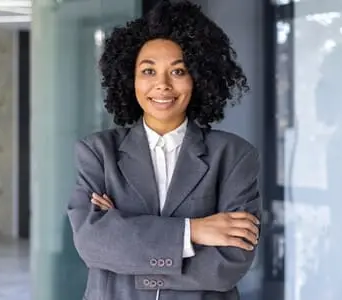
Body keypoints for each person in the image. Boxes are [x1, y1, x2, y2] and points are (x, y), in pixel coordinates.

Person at [67, 1, 262, 299]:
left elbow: (227, 266)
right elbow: (93, 244)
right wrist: (193, 231)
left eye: (178, 71)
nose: (162, 84)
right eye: (148, 70)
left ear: (197, 78)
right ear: (130, 79)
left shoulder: (235, 156)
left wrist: (126, 243)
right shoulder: (97, 152)